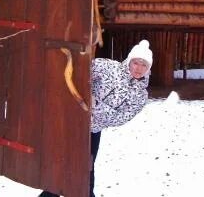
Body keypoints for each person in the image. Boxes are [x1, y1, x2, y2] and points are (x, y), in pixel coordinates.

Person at [39, 39, 153, 197]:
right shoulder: (107, 67)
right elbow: (80, 72)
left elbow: (120, 119)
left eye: (144, 65)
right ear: (129, 60)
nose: (139, 68)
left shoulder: (140, 95)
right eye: (136, 63)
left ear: (148, 69)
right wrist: (83, 96)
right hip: (72, 122)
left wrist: (95, 104)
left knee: (87, 168)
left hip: (93, 131)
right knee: (60, 164)